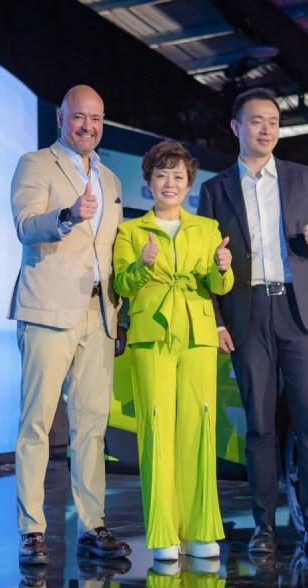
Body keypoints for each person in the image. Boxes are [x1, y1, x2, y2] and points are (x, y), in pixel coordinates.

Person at [198, 88, 308, 556]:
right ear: (236, 128)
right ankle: (263, 528)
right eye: (257, 121)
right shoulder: (215, 189)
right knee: (260, 426)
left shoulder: (304, 178)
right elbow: (207, 263)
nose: (267, 129)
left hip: (300, 312)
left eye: (274, 122)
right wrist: (218, 319)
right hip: (249, 313)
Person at [9, 85, 130, 565]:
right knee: (37, 424)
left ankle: (91, 525)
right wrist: (66, 216)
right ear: (61, 117)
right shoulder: (36, 164)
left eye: (96, 119)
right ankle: (32, 531)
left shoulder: (113, 179)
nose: (89, 126)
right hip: (47, 309)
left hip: (99, 314)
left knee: (91, 428)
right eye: (79, 117)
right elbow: (25, 224)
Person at [112, 140, 234, 562]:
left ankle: (201, 529)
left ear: (189, 183)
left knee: (200, 430)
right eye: (161, 175)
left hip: (198, 335)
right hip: (150, 336)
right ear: (147, 182)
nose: (170, 183)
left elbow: (218, 287)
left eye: (178, 176)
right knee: (156, 429)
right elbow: (123, 287)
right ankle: (162, 532)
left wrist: (223, 268)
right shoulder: (129, 231)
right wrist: (141, 265)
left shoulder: (208, 229)